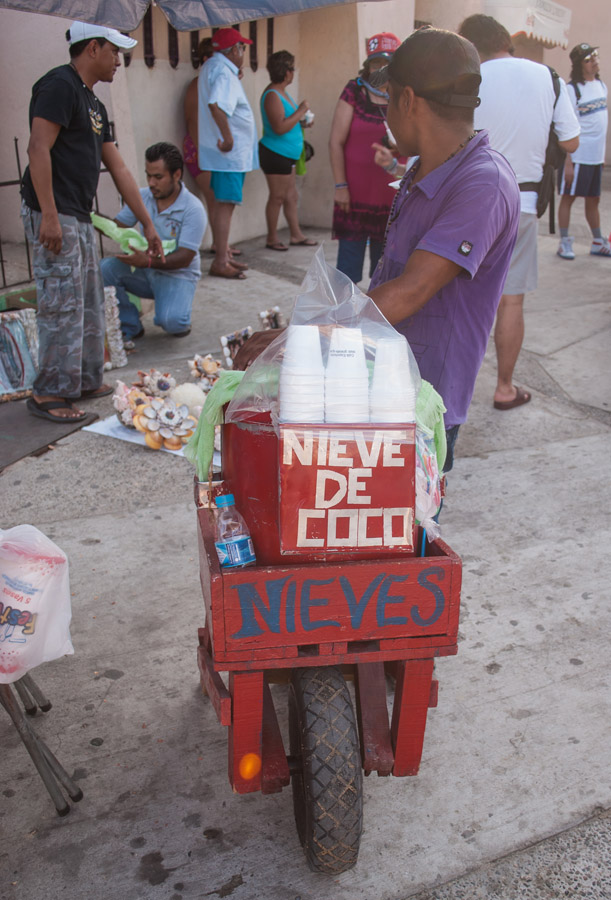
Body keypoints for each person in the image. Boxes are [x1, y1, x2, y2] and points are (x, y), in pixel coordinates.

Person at [366, 27, 521, 471]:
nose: (386, 115)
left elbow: (412, 289)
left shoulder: (483, 183)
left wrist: (302, 337)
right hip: (384, 386)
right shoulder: (424, 169)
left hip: (422, 406)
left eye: (388, 98)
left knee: (408, 536)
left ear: (408, 100)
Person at [20, 21, 164, 423]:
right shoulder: (59, 86)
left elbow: (117, 167)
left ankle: (81, 379)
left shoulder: (95, 105)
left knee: (87, 303)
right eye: (114, 51)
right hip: (56, 213)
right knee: (61, 305)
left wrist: (147, 225)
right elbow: (37, 147)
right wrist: (48, 213)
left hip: (78, 215)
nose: (119, 60)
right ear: (93, 48)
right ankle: (49, 393)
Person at [458, 14, 580, 411]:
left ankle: (448, 389)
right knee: (511, 301)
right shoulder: (550, 78)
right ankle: (505, 388)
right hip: (522, 203)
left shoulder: (466, 77)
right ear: (505, 41)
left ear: (473, 46)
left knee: (455, 297)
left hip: (468, 199)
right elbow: (573, 141)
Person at [100, 143, 207, 343]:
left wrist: (146, 262)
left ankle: (177, 312)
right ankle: (130, 326)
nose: (151, 183)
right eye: (148, 176)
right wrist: (89, 216)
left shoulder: (193, 208)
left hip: (178, 274)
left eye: (158, 177)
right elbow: (117, 226)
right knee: (104, 269)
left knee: (172, 322)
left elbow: (185, 257)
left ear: (177, 175)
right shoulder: (142, 196)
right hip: (145, 270)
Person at [329, 32, 401, 284]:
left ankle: (376, 323)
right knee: (346, 276)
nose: (381, 69)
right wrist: (340, 186)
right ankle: (344, 322)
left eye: (387, 63)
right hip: (354, 198)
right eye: (375, 63)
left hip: (391, 200)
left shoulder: (404, 96)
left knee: (383, 276)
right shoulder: (354, 91)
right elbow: (336, 141)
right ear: (368, 65)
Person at [198, 27, 258, 280]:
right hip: (229, 155)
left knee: (223, 204)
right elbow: (217, 105)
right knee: (226, 205)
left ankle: (224, 254)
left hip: (224, 154)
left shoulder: (216, 68)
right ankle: (221, 260)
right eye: (242, 48)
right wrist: (229, 137)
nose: (243, 52)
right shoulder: (223, 72)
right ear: (234, 50)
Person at [183, 38, 245, 267]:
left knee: (220, 201)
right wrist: (204, 154)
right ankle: (221, 251)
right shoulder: (197, 85)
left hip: (215, 152)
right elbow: (193, 122)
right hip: (202, 152)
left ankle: (222, 247)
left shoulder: (217, 81)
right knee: (217, 200)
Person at [259, 50, 317, 251]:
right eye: (291, 68)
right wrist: (300, 111)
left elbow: (288, 123)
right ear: (284, 71)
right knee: (277, 197)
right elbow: (279, 127)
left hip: (288, 153)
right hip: (276, 153)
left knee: (291, 196)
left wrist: (302, 122)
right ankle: (272, 238)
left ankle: (296, 234)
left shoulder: (282, 93)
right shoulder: (272, 95)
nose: (293, 72)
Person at [557, 43, 610, 258]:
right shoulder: (572, 90)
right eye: (589, 59)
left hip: (595, 158)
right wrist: (568, 161)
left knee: (593, 199)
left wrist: (601, 156)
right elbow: (568, 126)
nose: (594, 61)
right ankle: (564, 242)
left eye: (595, 56)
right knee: (568, 198)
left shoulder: (601, 85)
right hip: (578, 157)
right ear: (579, 65)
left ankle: (598, 241)